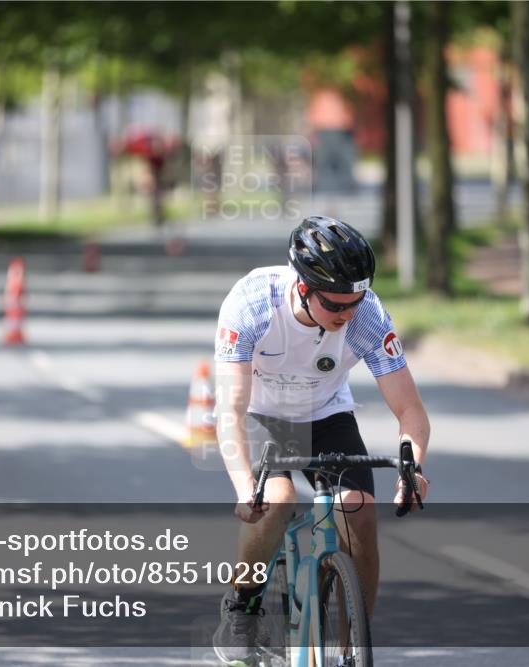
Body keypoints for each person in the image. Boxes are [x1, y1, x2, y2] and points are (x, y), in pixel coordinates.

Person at [211, 216, 431, 664]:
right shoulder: (252, 304)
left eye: (356, 301)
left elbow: (410, 409)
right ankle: (243, 606)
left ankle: (355, 646)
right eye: (336, 305)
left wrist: (414, 467)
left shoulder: (365, 315)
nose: (347, 314)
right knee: (277, 500)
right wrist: (242, 489)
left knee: (360, 513)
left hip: (326, 414)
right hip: (260, 414)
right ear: (303, 287)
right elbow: (230, 410)